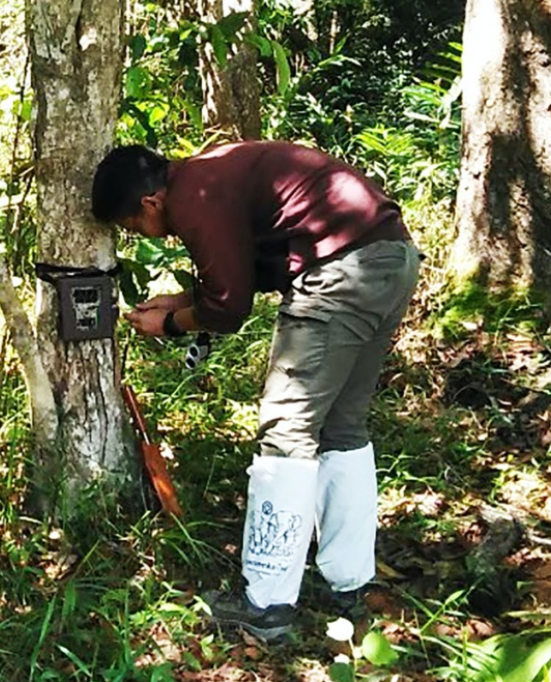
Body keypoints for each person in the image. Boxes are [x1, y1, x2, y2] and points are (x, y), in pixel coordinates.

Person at [91, 142, 420, 641]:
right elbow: (253, 269)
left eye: (132, 225)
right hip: (388, 257)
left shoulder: (193, 196)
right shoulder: (209, 174)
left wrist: (173, 324)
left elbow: (229, 309)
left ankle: (266, 603)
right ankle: (349, 583)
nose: (137, 234)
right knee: (341, 426)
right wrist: (181, 300)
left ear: (150, 202)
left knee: (286, 432)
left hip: (338, 275)